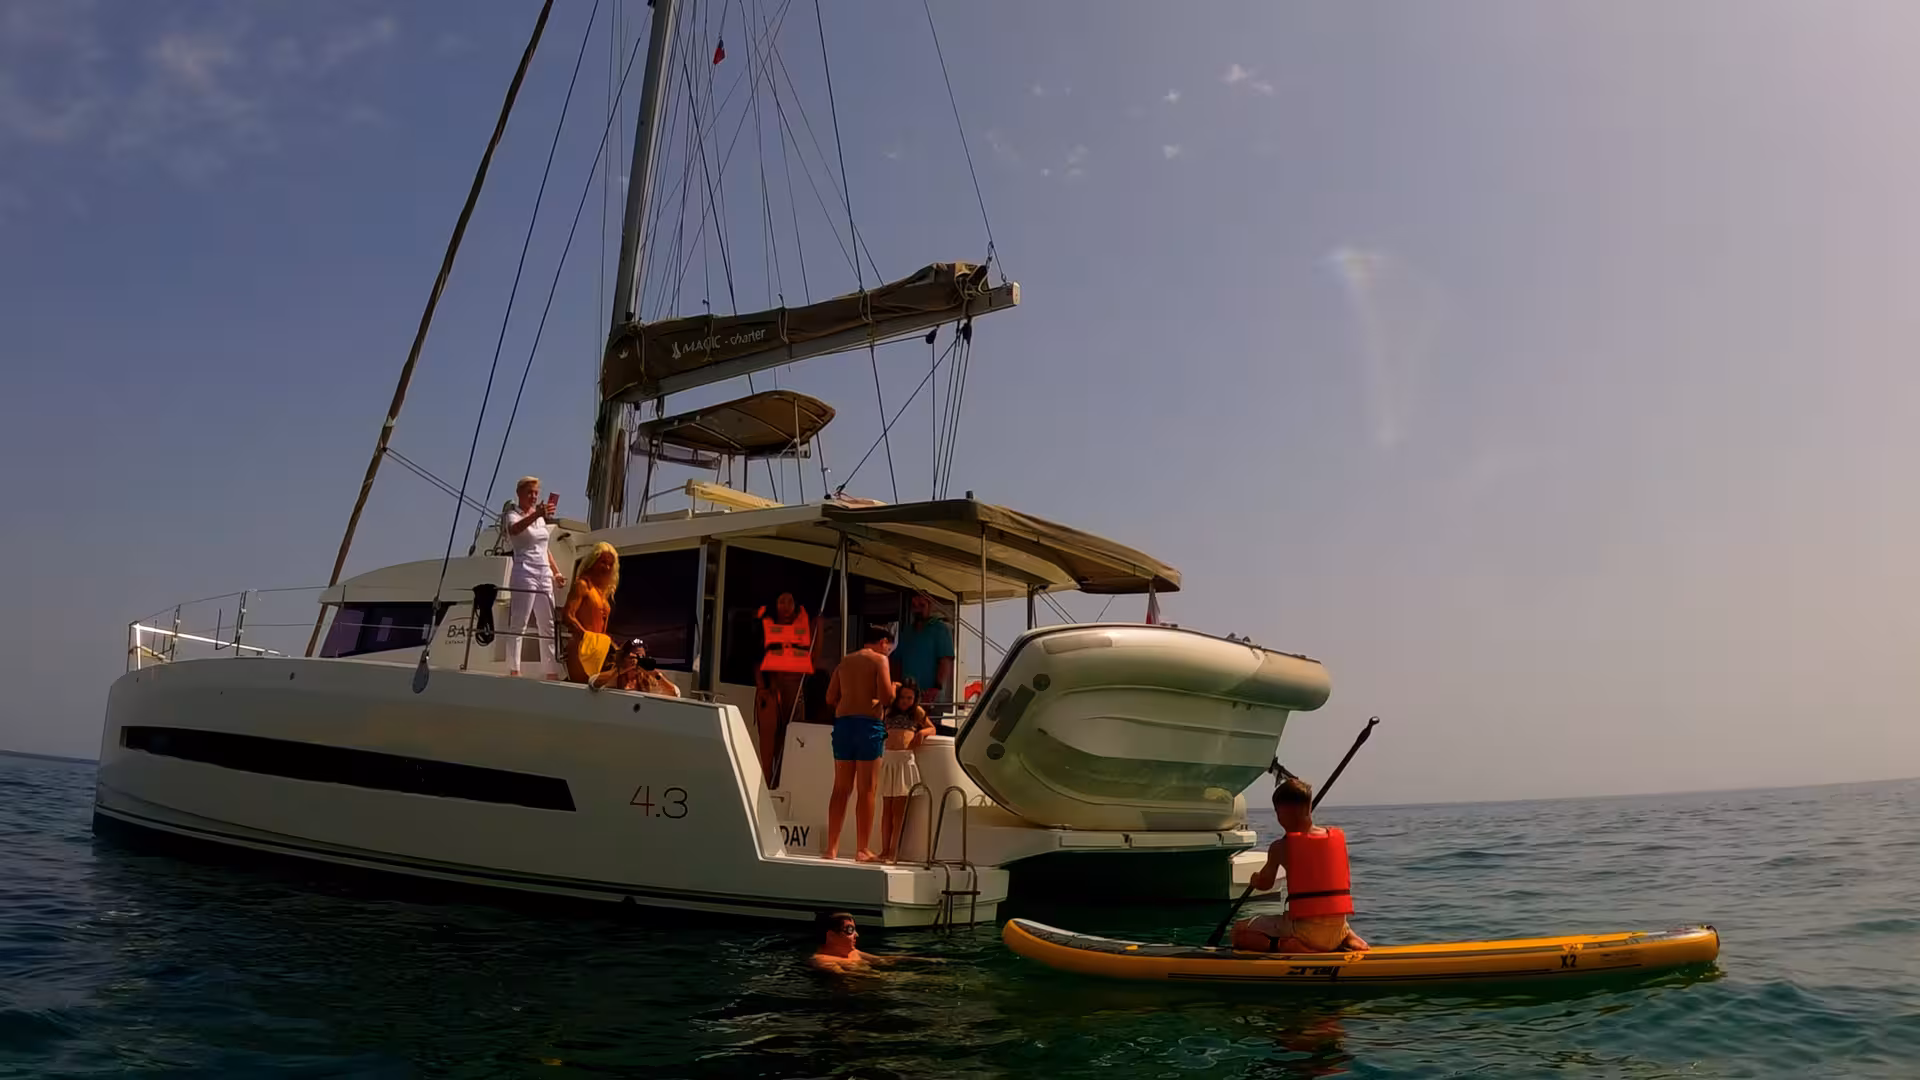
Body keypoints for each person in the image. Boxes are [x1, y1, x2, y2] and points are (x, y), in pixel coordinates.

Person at [1232, 776, 1370, 954]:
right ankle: (1348, 936)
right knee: (1326, 919)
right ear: (1309, 807)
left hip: (1305, 934)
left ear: (1281, 812)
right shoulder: (1333, 837)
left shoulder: (1281, 847)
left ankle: (1286, 946)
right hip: (1337, 929)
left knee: (1239, 932)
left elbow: (1265, 884)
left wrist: (1255, 879)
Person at [822, 625, 894, 861]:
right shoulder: (880, 660)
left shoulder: (845, 661)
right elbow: (886, 698)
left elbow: (830, 697)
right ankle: (862, 849)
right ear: (883, 642)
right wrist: (892, 689)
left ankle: (831, 849)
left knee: (840, 788)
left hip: (843, 725)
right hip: (867, 727)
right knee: (867, 790)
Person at [500, 477, 566, 679]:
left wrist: (556, 572)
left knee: (547, 623)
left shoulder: (540, 519)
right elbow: (515, 530)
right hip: (525, 571)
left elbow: (544, 548)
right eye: (530, 492)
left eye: (536, 492)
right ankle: (514, 668)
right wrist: (537, 513)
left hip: (543, 573)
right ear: (519, 494)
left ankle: (550, 670)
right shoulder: (512, 515)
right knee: (520, 622)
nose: (534, 496)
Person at [754, 592, 812, 787]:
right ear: (775, 605)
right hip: (770, 694)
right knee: (769, 749)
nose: (786, 606)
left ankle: (784, 788)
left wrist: (819, 625)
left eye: (790, 601)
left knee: (791, 745)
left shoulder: (803, 629)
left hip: (796, 693)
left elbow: (813, 655)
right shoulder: (765, 628)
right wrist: (763, 687)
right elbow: (756, 660)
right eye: (781, 601)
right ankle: (766, 788)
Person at [877, 678, 935, 863]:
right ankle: (884, 850)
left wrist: (922, 733)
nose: (906, 701)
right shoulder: (888, 711)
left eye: (910, 698)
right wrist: (894, 688)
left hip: (904, 761)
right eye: (903, 697)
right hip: (889, 760)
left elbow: (932, 728)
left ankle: (893, 852)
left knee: (898, 811)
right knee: (886, 809)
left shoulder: (916, 712)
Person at [563, 542, 619, 683]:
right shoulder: (582, 585)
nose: (606, 567)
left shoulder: (602, 592)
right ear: (593, 562)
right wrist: (586, 637)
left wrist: (613, 646)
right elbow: (567, 615)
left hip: (598, 650)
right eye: (603, 562)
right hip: (581, 650)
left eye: (610, 564)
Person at [892, 592, 955, 706]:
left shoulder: (939, 628)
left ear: (930, 606)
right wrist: (896, 687)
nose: (918, 610)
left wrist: (936, 688)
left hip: (928, 695)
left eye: (922, 605)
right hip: (905, 695)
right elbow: (897, 661)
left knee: (927, 723)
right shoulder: (907, 631)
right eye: (914, 606)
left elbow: (945, 660)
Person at [589, 639, 681, 697]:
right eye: (634, 657)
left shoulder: (648, 679)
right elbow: (593, 683)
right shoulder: (614, 676)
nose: (638, 660)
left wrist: (656, 674)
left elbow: (675, 694)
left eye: (641, 657)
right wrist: (624, 669)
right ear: (624, 657)